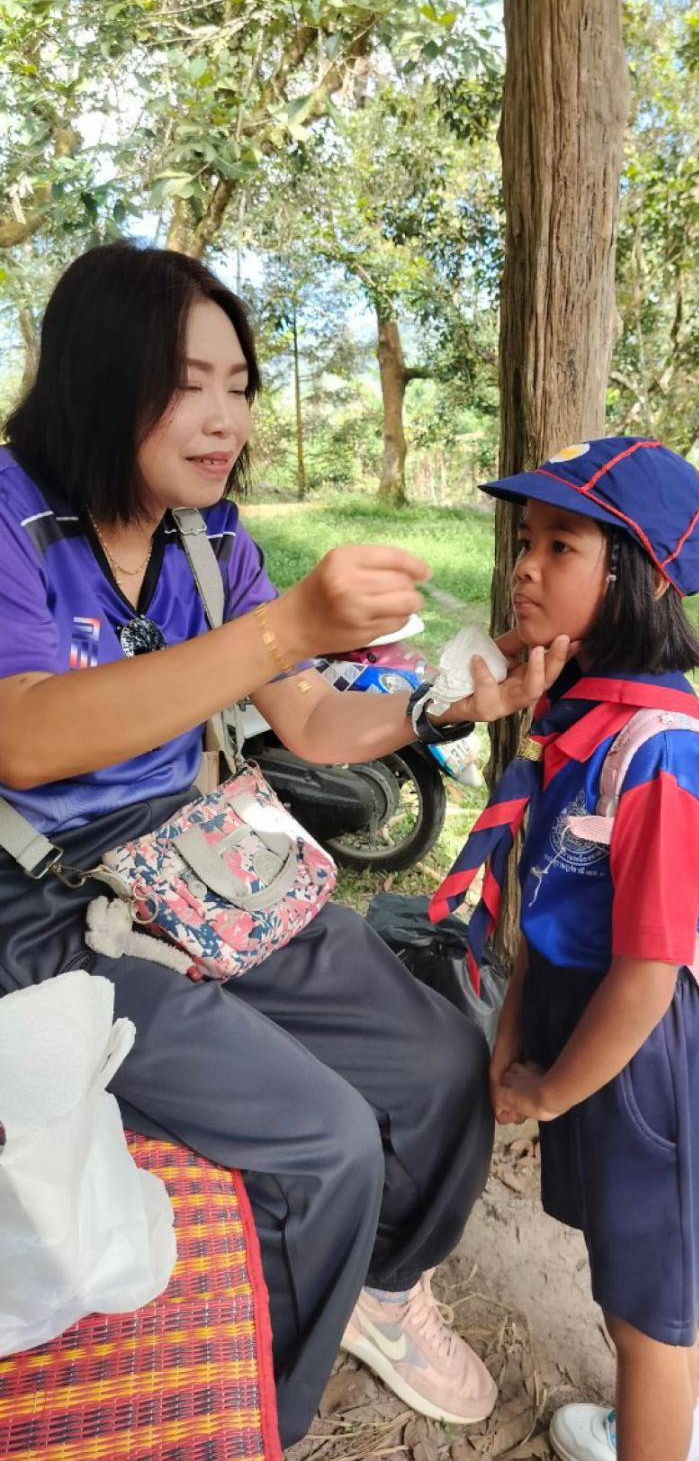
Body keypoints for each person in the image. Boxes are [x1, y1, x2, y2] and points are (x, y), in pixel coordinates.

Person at [0, 240, 572, 1446]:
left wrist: (441, 708)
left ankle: (378, 1285)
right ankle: (262, 1403)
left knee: (437, 1059)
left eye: (240, 386)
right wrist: (285, 627)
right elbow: (27, 736)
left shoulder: (207, 540)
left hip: (192, 853)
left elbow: (309, 719)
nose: (226, 419)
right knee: (322, 1141)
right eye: (187, 384)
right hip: (44, 895)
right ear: (99, 375)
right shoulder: (12, 519)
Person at [431, 438, 699, 1461]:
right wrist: (516, 1032)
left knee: (655, 1320)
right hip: (576, 1010)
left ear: (638, 578)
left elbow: (649, 972)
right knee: (623, 1273)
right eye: (526, 539)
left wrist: (553, 1089)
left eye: (560, 545)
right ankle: (645, 1427)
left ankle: (660, 1438)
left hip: (640, 1053)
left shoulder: (659, 755)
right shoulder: (580, 715)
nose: (523, 567)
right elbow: (550, 894)